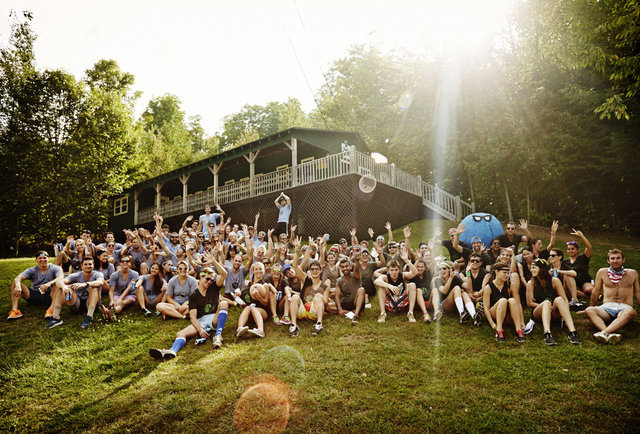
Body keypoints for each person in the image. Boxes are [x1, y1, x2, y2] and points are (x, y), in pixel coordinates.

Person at [149, 263, 229, 360]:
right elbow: (193, 317)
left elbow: (224, 274)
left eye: (211, 280)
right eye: (207, 279)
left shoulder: (214, 287)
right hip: (201, 321)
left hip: (214, 318)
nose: (209, 282)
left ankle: (218, 335)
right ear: (201, 277)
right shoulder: (193, 295)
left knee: (224, 303)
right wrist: (200, 329)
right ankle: (172, 351)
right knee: (180, 334)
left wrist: (213, 261)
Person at [583, 249, 639, 344]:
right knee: (589, 310)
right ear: (608, 261)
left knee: (630, 312)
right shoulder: (602, 272)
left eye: (618, 258)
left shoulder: (632, 273)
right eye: (612, 258)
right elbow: (596, 291)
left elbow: (637, 292)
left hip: (625, 308)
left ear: (623, 260)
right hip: (607, 308)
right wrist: (591, 306)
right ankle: (609, 334)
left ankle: (604, 333)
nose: (615, 261)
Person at [526, 258, 582, 345]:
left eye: (534, 268)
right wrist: (547, 306)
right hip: (539, 311)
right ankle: (547, 333)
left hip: (554, 311)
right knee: (547, 302)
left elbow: (565, 299)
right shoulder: (531, 283)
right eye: (531, 268)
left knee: (559, 299)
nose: (531, 270)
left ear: (541, 269)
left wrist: (564, 313)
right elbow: (529, 303)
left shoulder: (554, 281)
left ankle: (573, 332)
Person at [46, 256, 104, 329]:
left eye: (90, 264)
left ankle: (89, 317)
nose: (88, 266)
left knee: (94, 287)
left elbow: (100, 282)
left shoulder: (98, 274)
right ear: (82, 266)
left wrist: (85, 284)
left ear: (93, 265)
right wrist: (64, 287)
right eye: (85, 264)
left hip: (93, 303)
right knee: (61, 287)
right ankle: (56, 318)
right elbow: (59, 282)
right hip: (77, 304)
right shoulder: (76, 275)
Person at [288, 238, 329, 337]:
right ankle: (293, 325)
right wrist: (297, 250)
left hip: (314, 311)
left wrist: (317, 299)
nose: (314, 271)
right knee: (295, 297)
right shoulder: (305, 279)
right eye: (312, 269)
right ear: (310, 271)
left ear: (320, 271)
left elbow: (326, 302)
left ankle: (319, 324)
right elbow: (295, 266)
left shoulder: (324, 285)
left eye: (317, 269)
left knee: (318, 296)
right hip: (302, 310)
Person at [8, 251, 64, 321]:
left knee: (58, 283)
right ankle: (15, 311)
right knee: (16, 283)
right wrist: (18, 286)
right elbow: (18, 277)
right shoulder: (32, 270)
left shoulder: (56, 268)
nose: (42, 260)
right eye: (40, 258)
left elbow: (61, 277)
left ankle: (51, 310)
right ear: (36, 260)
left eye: (44, 258)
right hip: (35, 295)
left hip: (51, 296)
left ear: (48, 259)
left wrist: (49, 283)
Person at [482, 262, 526, 343]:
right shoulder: (488, 287)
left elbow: (518, 304)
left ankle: (518, 330)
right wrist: (492, 324)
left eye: (507, 273)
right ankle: (499, 330)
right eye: (504, 273)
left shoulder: (511, 285)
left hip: (507, 314)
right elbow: (486, 308)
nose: (506, 275)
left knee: (512, 300)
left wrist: (522, 321)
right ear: (496, 272)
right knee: (503, 300)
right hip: (495, 313)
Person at [374, 250, 419, 324]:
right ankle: (383, 314)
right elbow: (376, 281)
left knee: (412, 285)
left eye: (396, 270)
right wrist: (390, 286)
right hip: (390, 304)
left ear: (399, 269)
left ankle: (410, 313)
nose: (394, 272)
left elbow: (415, 273)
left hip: (403, 303)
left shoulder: (403, 275)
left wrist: (407, 261)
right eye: (392, 270)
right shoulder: (386, 277)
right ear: (388, 270)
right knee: (381, 287)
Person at [236, 262, 277, 338]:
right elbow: (243, 300)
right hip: (251, 311)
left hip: (262, 312)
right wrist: (238, 295)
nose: (258, 271)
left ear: (263, 271)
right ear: (253, 271)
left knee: (253, 308)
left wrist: (258, 296)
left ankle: (260, 331)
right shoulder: (249, 284)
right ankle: (239, 328)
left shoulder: (265, 285)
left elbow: (265, 303)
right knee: (248, 307)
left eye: (260, 269)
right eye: (256, 269)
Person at [563, 229, 594, 298]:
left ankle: (594, 293)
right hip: (574, 284)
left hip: (585, 282)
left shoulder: (583, 258)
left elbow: (589, 247)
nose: (570, 251)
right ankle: (587, 296)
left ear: (578, 250)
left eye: (572, 249)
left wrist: (581, 236)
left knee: (588, 290)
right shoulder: (565, 262)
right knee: (573, 292)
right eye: (568, 249)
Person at [335, 258, 365, 325]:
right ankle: (351, 312)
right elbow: (337, 296)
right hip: (346, 303)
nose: (345, 268)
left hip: (356, 302)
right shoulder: (339, 281)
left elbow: (356, 270)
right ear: (340, 269)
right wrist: (340, 309)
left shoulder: (356, 275)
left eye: (346, 266)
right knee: (328, 307)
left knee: (361, 289)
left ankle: (356, 315)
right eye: (342, 267)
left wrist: (357, 260)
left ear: (350, 267)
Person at [405, 258, 433, 323]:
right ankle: (425, 314)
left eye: (422, 267)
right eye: (418, 267)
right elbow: (412, 271)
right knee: (418, 290)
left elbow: (433, 265)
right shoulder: (413, 276)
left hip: (427, 301)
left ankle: (436, 312)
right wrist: (418, 259)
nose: (420, 269)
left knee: (434, 290)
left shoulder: (428, 274)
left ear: (425, 268)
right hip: (417, 302)